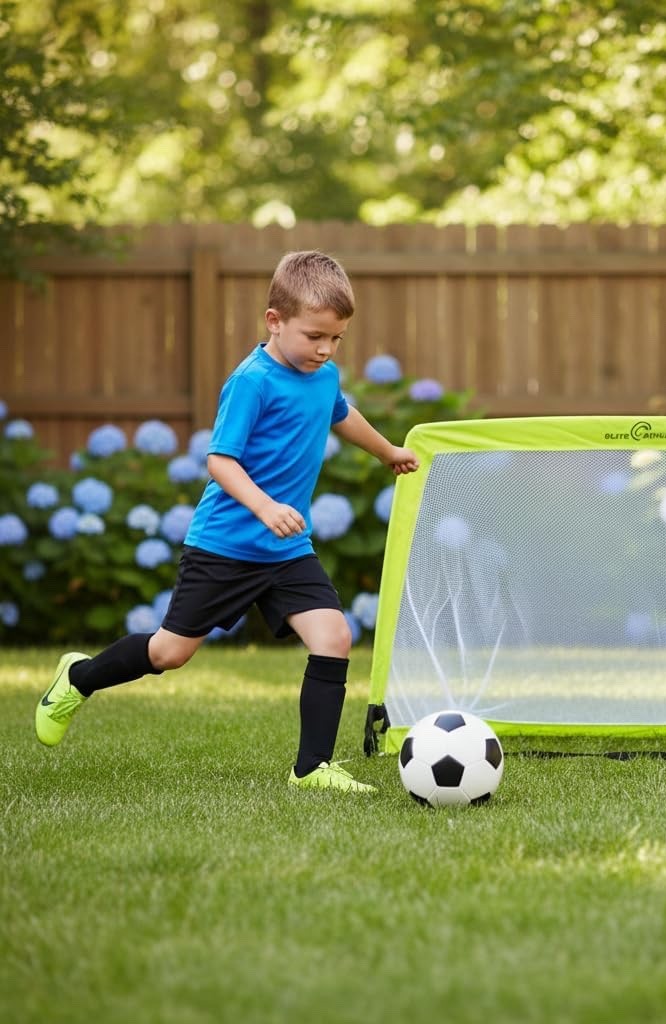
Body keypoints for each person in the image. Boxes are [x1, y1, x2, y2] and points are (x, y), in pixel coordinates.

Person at [35, 250, 419, 793]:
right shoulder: (252, 381)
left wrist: (387, 452)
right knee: (170, 652)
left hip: (286, 550)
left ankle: (312, 770)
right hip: (226, 545)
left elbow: (340, 413)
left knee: (333, 634)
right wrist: (264, 506)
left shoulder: (322, 375)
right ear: (275, 320)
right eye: (314, 336)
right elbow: (220, 460)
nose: (326, 349)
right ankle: (78, 678)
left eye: (336, 339)